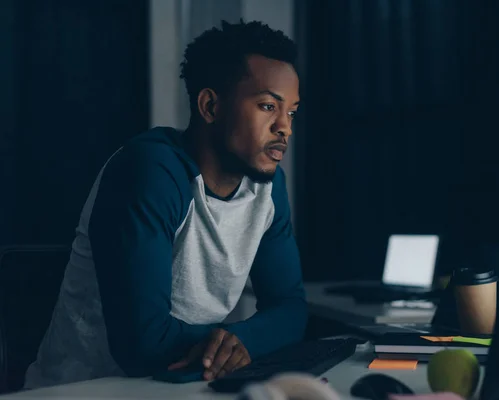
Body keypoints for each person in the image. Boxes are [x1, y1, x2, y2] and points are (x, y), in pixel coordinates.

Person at [25, 20, 307, 389]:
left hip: (186, 386)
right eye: (268, 106)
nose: (284, 127)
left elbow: (291, 308)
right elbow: (142, 345)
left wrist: (244, 341)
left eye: (292, 112)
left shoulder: (268, 187)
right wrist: (235, 341)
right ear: (210, 106)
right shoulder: (149, 172)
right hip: (87, 390)